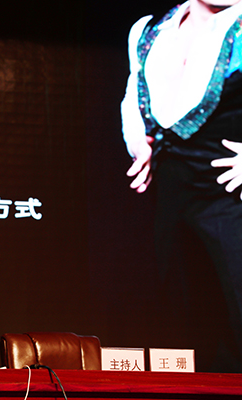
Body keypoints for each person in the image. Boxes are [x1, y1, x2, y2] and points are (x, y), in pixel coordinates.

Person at [121, 0, 242, 370]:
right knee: (183, 326)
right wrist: (138, 142)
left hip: (227, 195)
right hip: (169, 195)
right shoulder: (149, 30)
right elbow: (133, 95)